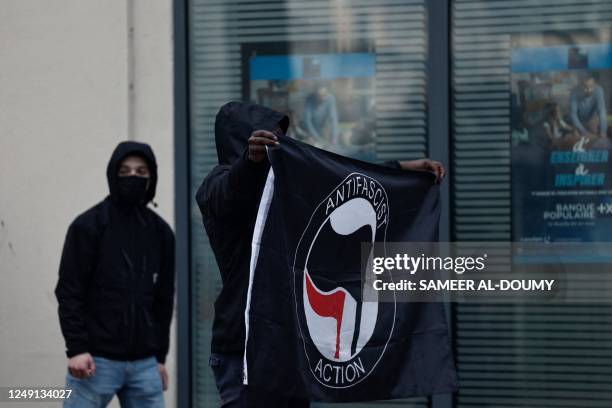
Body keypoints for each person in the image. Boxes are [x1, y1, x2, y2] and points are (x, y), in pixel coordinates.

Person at [196, 101, 445, 408]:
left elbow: (338, 179)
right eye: (267, 138)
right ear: (241, 139)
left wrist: (402, 171)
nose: (276, 146)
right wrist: (251, 162)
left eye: (279, 139)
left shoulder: (290, 184)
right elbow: (231, 194)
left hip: (290, 345)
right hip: (244, 347)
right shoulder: (215, 184)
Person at [55, 141, 175, 408]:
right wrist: (76, 349)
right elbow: (69, 291)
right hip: (94, 362)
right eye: (125, 170)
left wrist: (159, 358)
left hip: (145, 366)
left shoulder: (162, 234)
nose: (133, 177)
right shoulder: (88, 226)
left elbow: (163, 300)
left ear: (151, 178)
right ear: (113, 174)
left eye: (142, 172)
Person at [570, 71, 607, 138]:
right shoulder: (574, 91)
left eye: (591, 86)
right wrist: (583, 131)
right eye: (586, 87)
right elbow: (573, 114)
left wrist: (603, 131)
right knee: (577, 140)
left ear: (595, 83)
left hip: (592, 120)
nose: (589, 90)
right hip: (578, 121)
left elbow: (602, 112)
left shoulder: (599, 90)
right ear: (581, 85)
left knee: (594, 141)